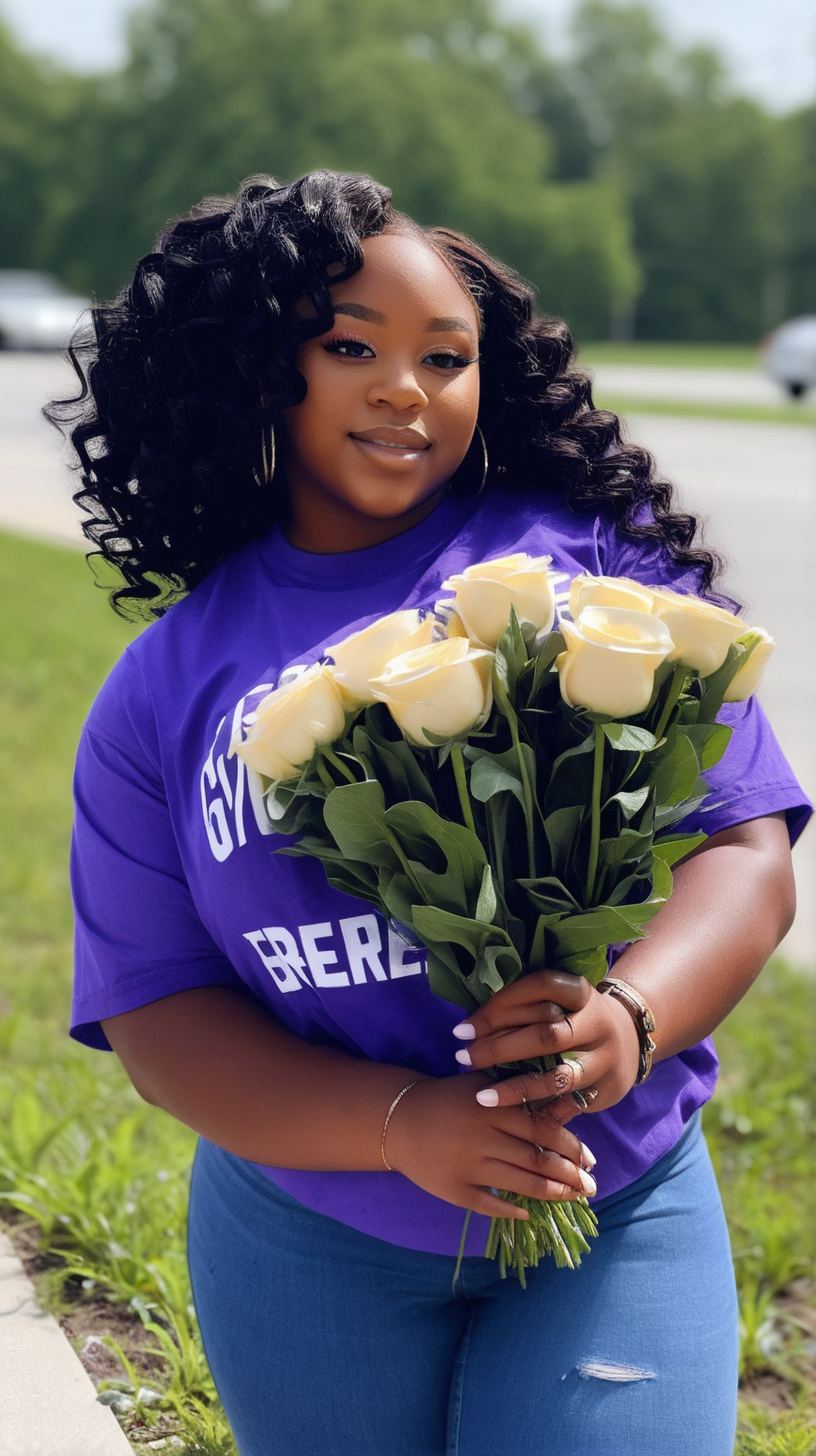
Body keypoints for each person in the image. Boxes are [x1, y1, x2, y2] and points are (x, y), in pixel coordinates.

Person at [51, 171, 810, 1456]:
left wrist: (631, 1015)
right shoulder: (163, 688)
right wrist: (401, 1127)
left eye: (445, 357)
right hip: (310, 1227)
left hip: (606, 1194)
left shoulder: (585, 573)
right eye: (352, 345)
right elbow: (159, 1011)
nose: (409, 387)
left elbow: (746, 853)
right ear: (248, 368)